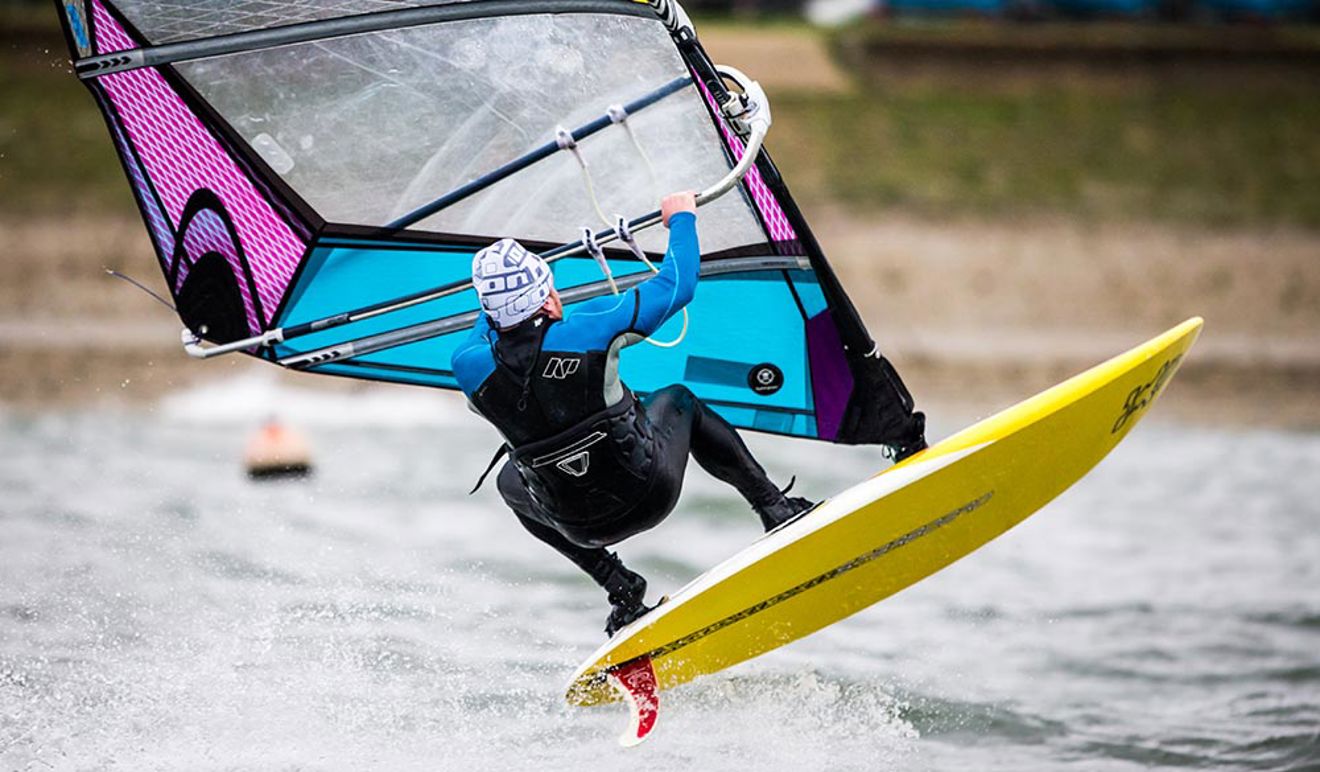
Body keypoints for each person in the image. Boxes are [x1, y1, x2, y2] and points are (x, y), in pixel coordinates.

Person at [451, 192, 813, 637]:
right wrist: (681, 218)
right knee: (678, 398)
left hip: (577, 526)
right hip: (649, 491)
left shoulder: (469, 367)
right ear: (546, 301)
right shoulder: (591, 327)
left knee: (510, 480)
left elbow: (489, 324)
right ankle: (772, 506)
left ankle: (619, 586)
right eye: (550, 288)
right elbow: (677, 285)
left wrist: (498, 299)